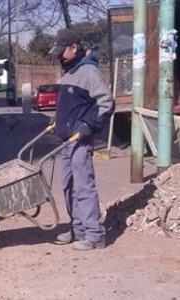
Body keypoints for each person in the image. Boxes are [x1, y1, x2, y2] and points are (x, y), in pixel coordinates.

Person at [48, 29, 115, 250]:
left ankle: (95, 235)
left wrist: (87, 125)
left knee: (83, 186)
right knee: (67, 185)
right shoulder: (70, 72)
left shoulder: (88, 71)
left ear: (74, 47)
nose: (60, 56)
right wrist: (56, 120)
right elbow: (72, 105)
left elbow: (106, 104)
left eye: (62, 52)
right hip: (66, 140)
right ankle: (78, 229)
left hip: (80, 139)